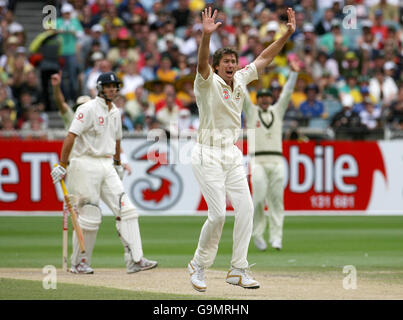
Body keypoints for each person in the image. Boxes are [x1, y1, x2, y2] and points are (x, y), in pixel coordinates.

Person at [188, 7, 295, 292]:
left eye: (234, 61)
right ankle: (198, 265)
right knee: (219, 215)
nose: (231, 65)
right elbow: (201, 63)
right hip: (206, 152)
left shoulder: (242, 80)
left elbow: (265, 57)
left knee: (246, 208)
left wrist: (286, 35)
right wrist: (206, 37)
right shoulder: (206, 81)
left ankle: (238, 269)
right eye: (226, 61)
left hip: (232, 153)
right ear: (217, 64)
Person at [50, 71, 157, 274]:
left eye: (115, 86)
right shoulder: (87, 108)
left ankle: (135, 259)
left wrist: (117, 163)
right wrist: (63, 164)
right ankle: (79, 262)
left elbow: (117, 140)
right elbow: (71, 136)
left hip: (106, 164)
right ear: (100, 88)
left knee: (127, 210)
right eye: (108, 86)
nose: (112, 89)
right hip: (84, 163)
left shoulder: (115, 111)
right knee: (90, 215)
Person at [243, 58, 300, 252]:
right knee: (258, 199)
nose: (266, 100)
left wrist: (293, 74)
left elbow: (287, 94)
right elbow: (242, 94)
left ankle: (276, 238)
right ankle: (258, 234)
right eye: (262, 97)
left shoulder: (278, 110)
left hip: (276, 160)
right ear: (257, 100)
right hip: (257, 160)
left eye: (268, 97)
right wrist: (237, 76)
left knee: (277, 201)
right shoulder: (251, 112)